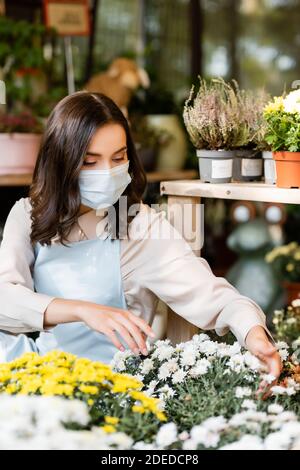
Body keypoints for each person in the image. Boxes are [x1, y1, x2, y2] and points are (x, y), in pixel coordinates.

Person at [0, 91, 281, 381]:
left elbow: (213, 296)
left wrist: (254, 334)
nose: (107, 172)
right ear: (61, 162)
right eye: (90, 162)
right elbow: (4, 300)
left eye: (118, 158)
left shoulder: (138, 224)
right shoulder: (28, 215)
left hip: (113, 391)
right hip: (43, 378)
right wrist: (83, 311)